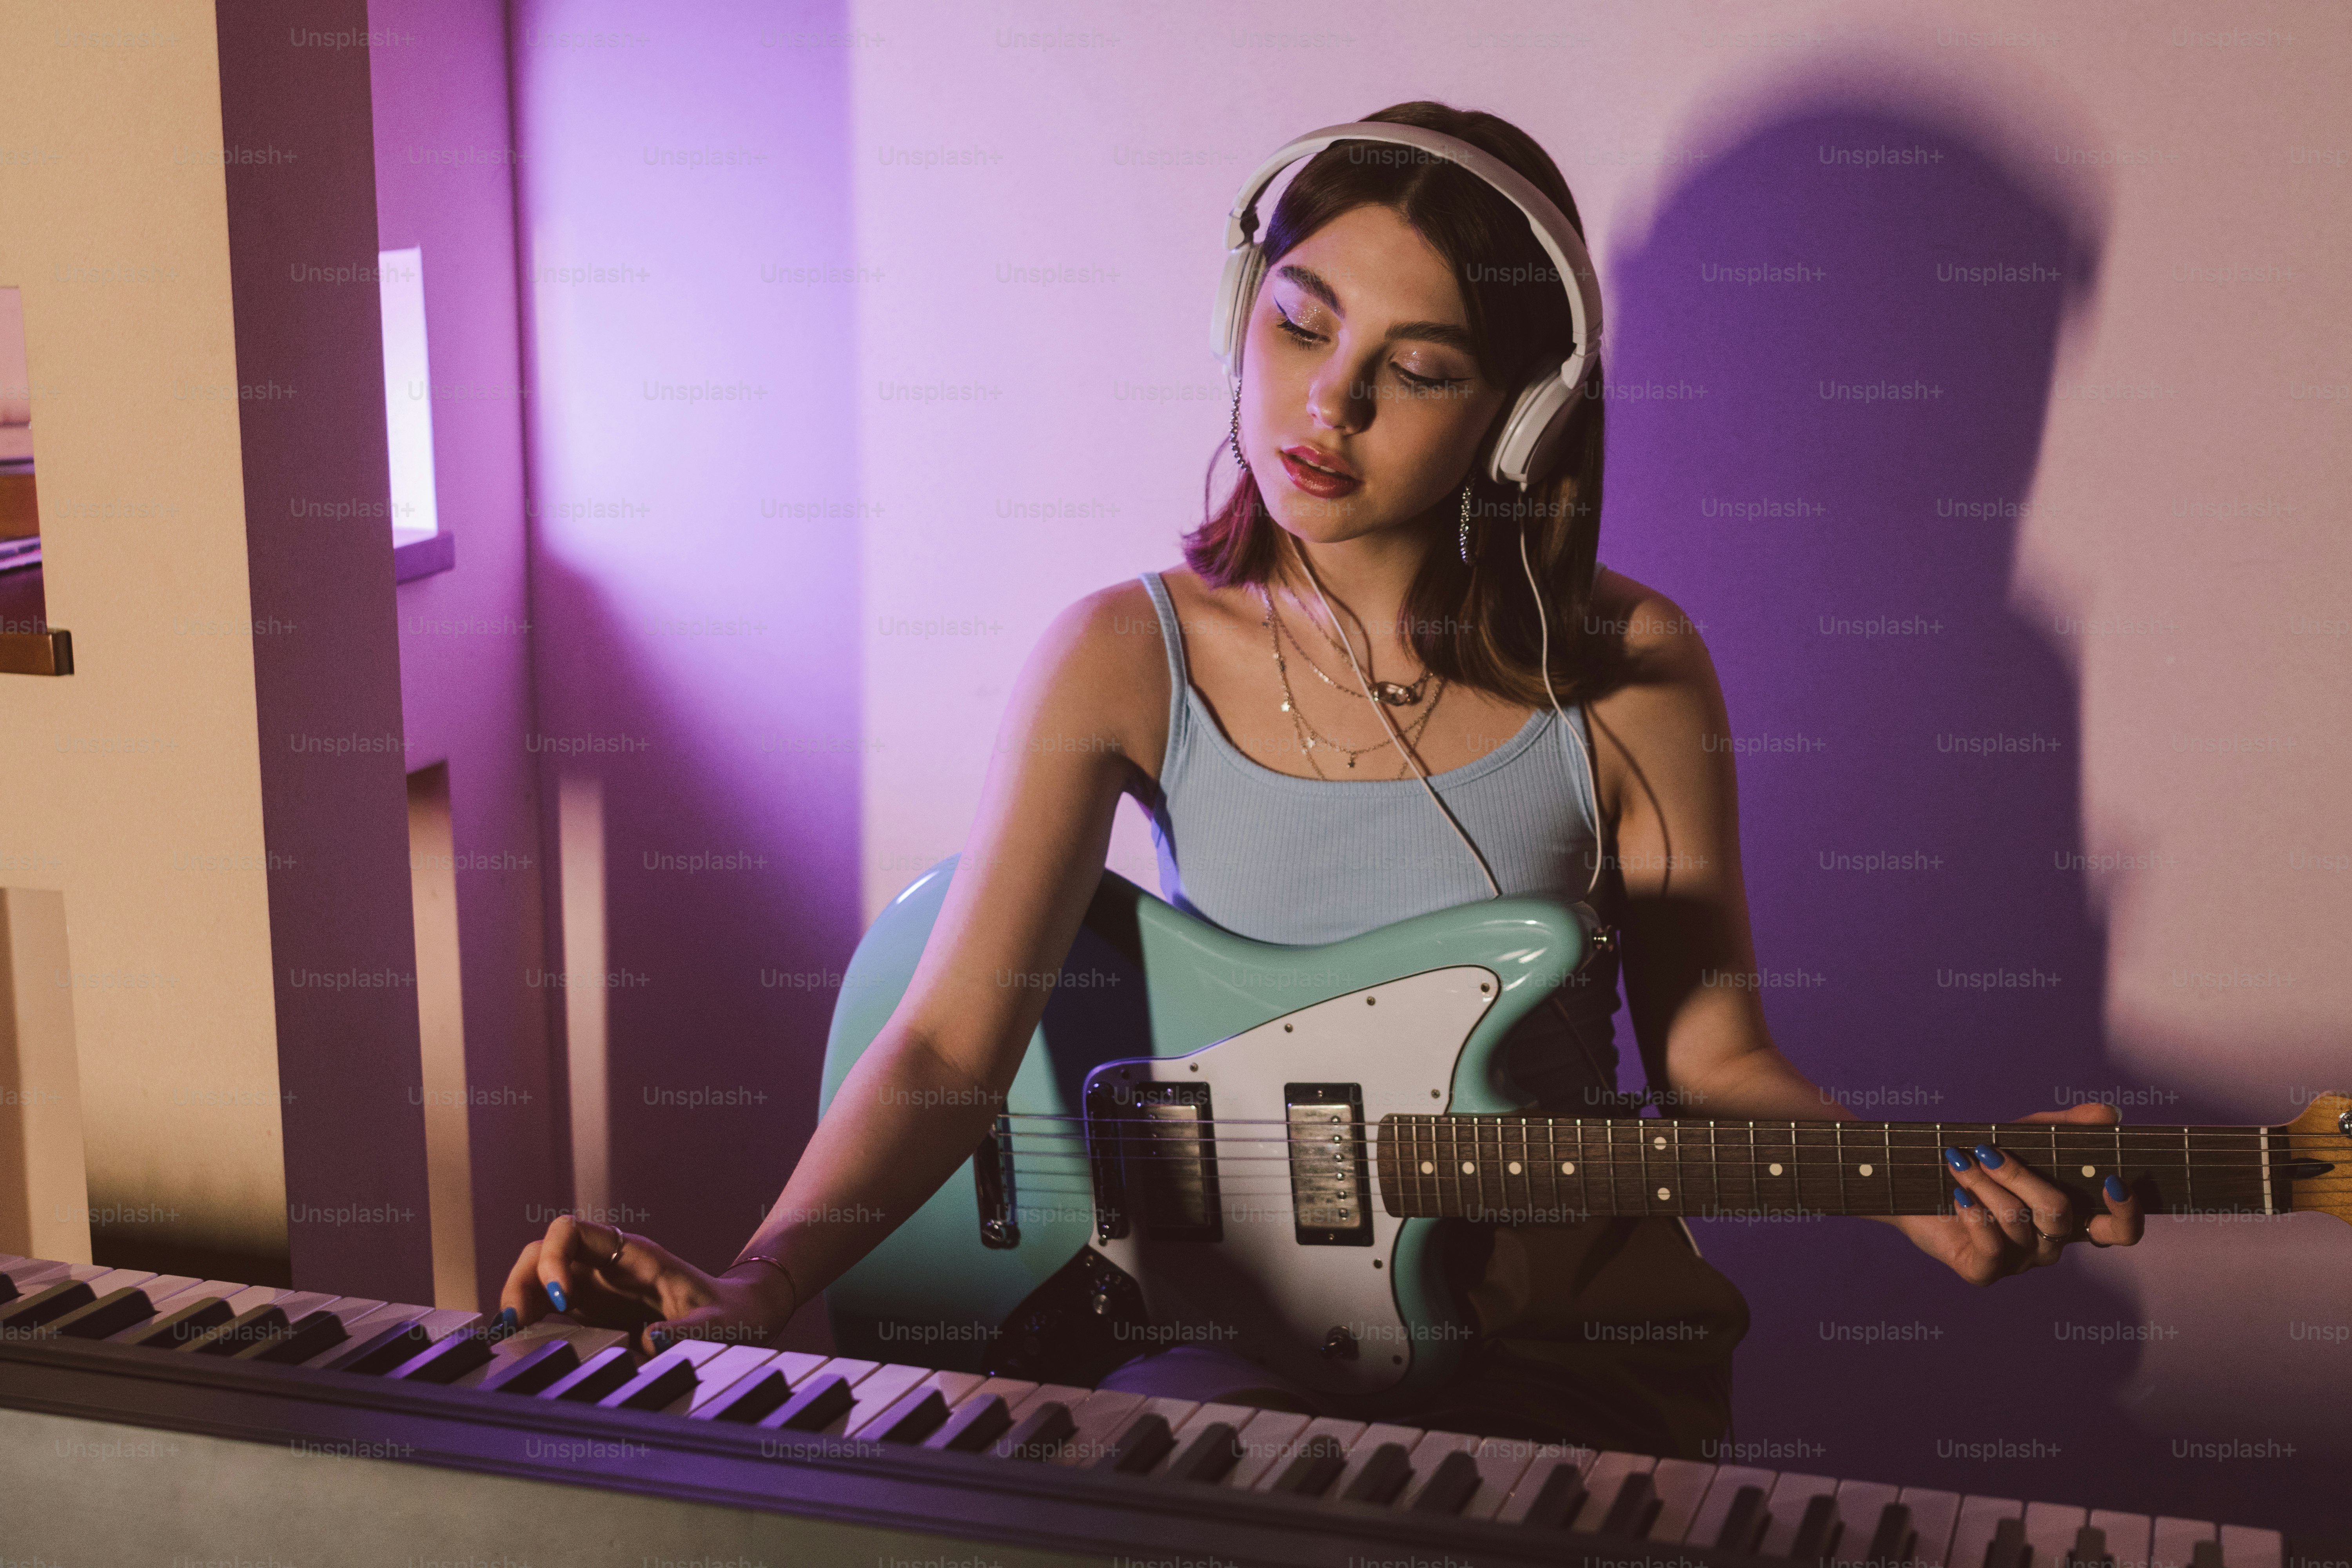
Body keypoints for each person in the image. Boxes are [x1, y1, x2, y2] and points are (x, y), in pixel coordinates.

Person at [499, 100, 2143, 1459]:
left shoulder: (1638, 665)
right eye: (1300, 322)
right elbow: (948, 1038)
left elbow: (1715, 1061)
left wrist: (1920, 1180)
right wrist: (761, 1282)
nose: (1329, 403)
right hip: (1250, 1342)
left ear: (1521, 416)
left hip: (1570, 1343)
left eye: (1419, 370)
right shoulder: (1123, 655)